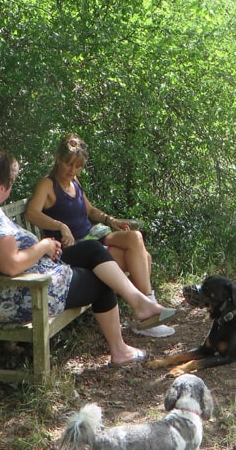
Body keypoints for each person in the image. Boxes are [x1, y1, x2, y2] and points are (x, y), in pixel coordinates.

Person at [0, 148, 183, 366]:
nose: (11, 189)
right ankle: (121, 349)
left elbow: (6, 256)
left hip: (25, 283)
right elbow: (10, 265)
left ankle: (140, 303)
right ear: (0, 187)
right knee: (100, 280)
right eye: (10, 183)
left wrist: (45, 249)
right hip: (17, 296)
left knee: (92, 250)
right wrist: (43, 245)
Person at [26, 133, 175, 338]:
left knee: (135, 237)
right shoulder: (48, 184)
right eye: (69, 164)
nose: (72, 170)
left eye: (78, 166)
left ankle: (148, 310)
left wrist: (110, 220)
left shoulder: (74, 182)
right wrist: (60, 226)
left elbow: (89, 210)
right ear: (58, 159)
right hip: (74, 250)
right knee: (143, 258)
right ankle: (147, 318)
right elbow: (31, 213)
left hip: (91, 237)